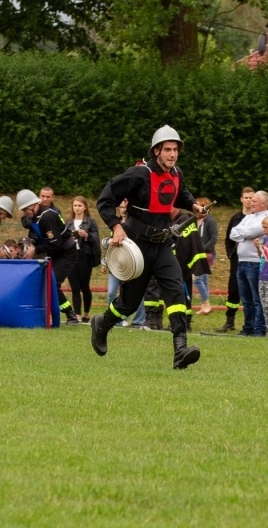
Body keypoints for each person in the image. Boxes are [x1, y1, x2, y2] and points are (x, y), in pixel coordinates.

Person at [91, 125, 208, 369]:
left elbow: (180, 193)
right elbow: (105, 198)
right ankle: (102, 323)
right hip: (137, 244)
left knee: (176, 291)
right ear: (156, 151)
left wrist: (194, 206)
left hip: (163, 244)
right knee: (129, 303)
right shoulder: (138, 174)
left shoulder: (177, 173)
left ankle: (180, 349)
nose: (172, 154)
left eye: (175, 150)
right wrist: (115, 226)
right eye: (167, 149)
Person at [17, 188, 80, 325]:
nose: (25, 213)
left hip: (66, 253)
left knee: (53, 283)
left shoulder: (47, 216)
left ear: (33, 205)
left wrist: (36, 249)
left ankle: (71, 315)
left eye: (26, 210)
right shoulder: (37, 217)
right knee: (47, 282)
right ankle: (66, 313)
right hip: (56, 252)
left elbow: (55, 243)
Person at [230, 190, 268, 336]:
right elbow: (232, 233)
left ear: (263, 203)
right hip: (241, 262)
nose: (251, 203)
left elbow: (251, 232)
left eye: (254, 201)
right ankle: (248, 327)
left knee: (257, 298)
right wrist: (245, 234)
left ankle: (259, 328)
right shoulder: (248, 217)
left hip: (255, 263)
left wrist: (243, 234)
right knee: (246, 299)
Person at [101, 199, 147, 328]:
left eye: (124, 205)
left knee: (136, 292)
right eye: (120, 206)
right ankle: (116, 319)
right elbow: (111, 244)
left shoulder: (137, 223)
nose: (123, 208)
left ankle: (139, 321)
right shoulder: (115, 224)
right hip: (116, 263)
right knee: (111, 293)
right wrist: (105, 262)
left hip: (132, 264)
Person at [218, 187, 254, 332]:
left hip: (252, 260)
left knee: (250, 291)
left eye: (251, 198)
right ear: (241, 199)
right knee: (233, 289)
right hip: (237, 259)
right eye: (246, 198)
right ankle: (230, 320)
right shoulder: (235, 218)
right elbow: (228, 238)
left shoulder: (257, 218)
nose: (249, 200)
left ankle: (250, 322)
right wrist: (231, 254)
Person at [170, 206, 210, 332]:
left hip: (183, 265)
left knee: (183, 295)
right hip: (171, 265)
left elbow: (189, 243)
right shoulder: (167, 219)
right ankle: (176, 321)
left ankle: (186, 322)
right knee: (174, 296)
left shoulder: (185, 219)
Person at [67, 196, 101, 323]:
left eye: (80, 205)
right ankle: (77, 315)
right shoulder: (68, 222)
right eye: (75, 205)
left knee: (84, 286)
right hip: (71, 257)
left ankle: (86, 313)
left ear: (85, 207)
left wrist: (86, 235)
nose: (77, 208)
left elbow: (96, 238)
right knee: (74, 287)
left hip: (85, 257)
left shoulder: (90, 221)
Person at [194, 196, 217, 315]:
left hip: (207, 253)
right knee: (204, 280)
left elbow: (213, 238)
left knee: (198, 279)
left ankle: (206, 303)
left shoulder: (210, 221)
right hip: (197, 253)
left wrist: (202, 248)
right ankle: (205, 306)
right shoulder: (195, 220)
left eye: (199, 205)